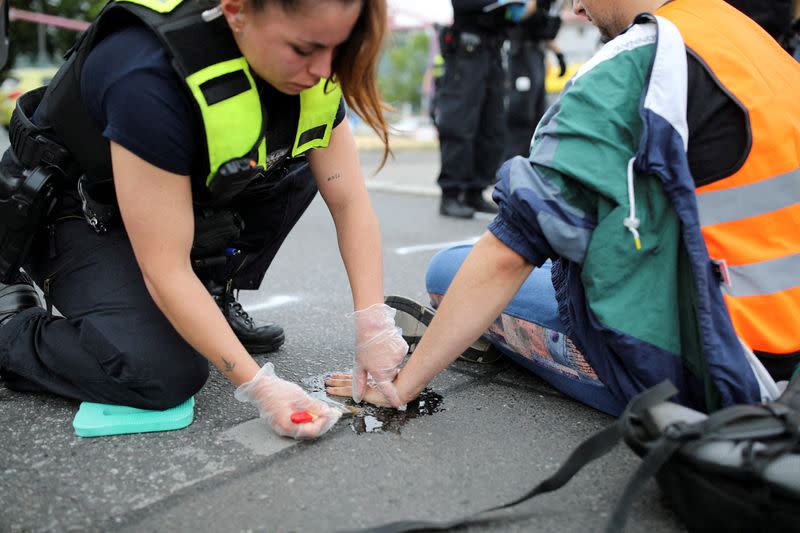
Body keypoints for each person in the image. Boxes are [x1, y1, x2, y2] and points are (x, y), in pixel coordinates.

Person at [327, 0, 800, 416]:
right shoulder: (753, 40)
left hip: (722, 378)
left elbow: (508, 254)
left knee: (448, 272)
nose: (575, 9)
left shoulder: (634, 61)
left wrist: (400, 386)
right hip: (784, 353)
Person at [0, 0, 409, 439]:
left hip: (167, 201)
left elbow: (348, 200)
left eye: (338, 49)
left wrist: (374, 323)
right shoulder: (148, 73)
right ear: (237, 12)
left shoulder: (314, 65)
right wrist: (258, 384)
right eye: (304, 49)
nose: (324, 70)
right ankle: (11, 330)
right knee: (159, 372)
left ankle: (209, 298)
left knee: (291, 164)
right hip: (75, 203)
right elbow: (165, 268)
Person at [435, 0, 537, 219]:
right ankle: (451, 193)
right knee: (460, 122)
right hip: (467, 53)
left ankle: (475, 189)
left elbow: (516, 17)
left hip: (493, 50)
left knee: (492, 125)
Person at [503, 0, 566, 161]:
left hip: (536, 55)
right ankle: (512, 163)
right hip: (521, 56)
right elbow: (519, 17)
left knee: (537, 113)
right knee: (521, 113)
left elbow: (540, 32)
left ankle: (530, 161)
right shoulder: (524, 5)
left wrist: (559, 54)